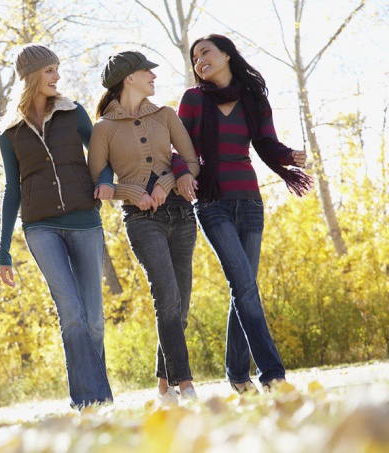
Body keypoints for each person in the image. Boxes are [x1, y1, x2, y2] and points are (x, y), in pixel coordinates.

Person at [176, 34, 312, 394]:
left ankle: (237, 375)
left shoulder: (253, 98)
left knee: (244, 289)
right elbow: (177, 148)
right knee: (245, 287)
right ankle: (273, 375)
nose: (199, 60)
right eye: (194, 57)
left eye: (206, 52)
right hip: (211, 201)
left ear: (226, 55)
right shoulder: (192, 99)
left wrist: (288, 156)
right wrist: (182, 173)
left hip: (249, 201)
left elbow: (266, 142)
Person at [0, 43, 113, 409]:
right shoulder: (11, 130)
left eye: (57, 69)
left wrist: (105, 178)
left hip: (84, 221)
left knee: (93, 319)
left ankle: (100, 399)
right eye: (49, 71)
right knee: (72, 315)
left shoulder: (72, 111)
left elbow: (99, 152)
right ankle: (89, 402)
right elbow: (11, 189)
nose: (57, 76)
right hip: (40, 228)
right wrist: (3, 251)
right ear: (31, 75)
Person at [88, 50, 201, 405]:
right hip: (141, 221)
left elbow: (193, 163)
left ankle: (163, 387)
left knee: (179, 306)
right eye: (146, 71)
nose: (153, 75)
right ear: (129, 79)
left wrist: (166, 184)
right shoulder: (103, 129)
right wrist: (131, 191)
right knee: (166, 297)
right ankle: (186, 386)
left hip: (181, 214)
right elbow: (98, 184)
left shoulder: (166, 115)